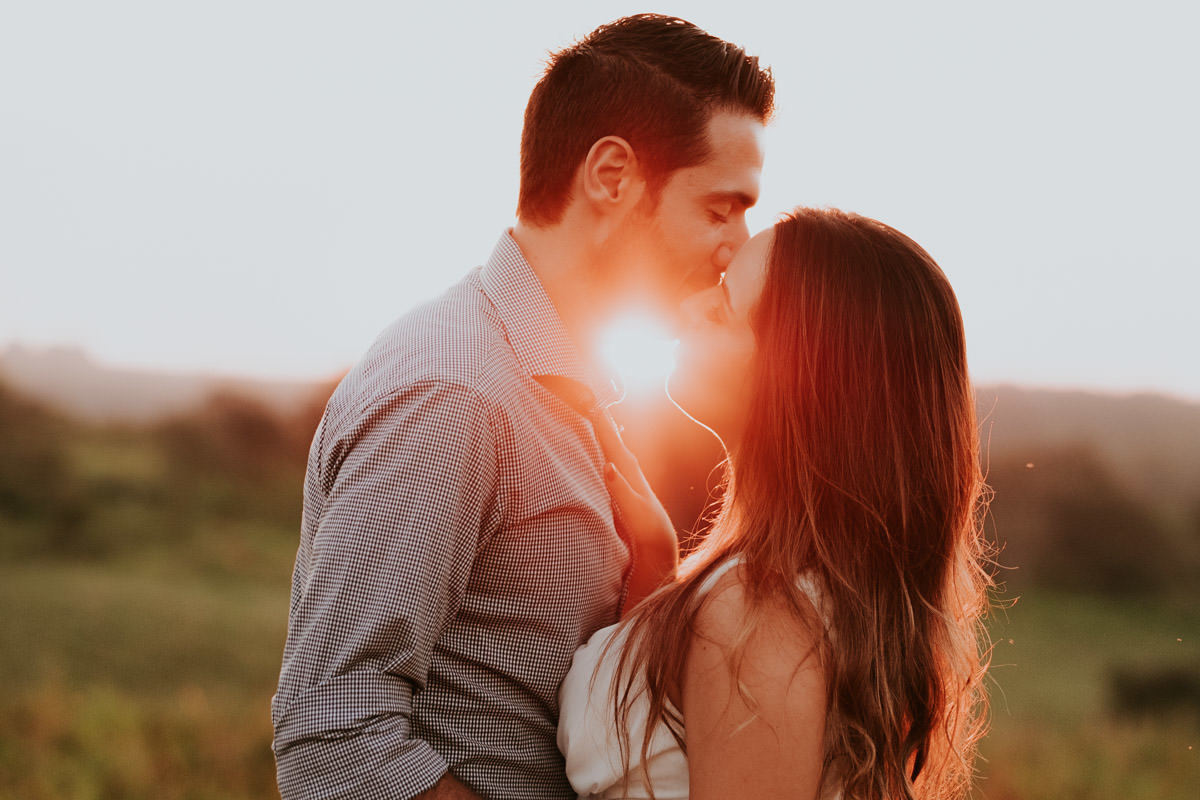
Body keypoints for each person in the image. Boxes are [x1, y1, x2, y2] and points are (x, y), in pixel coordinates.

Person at [269, 14, 774, 800]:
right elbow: (335, 736)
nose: (738, 245)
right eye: (720, 208)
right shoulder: (456, 393)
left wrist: (648, 597)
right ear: (611, 176)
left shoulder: (557, 383)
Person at [558, 208, 994, 800]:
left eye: (719, 309)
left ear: (793, 375)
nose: (687, 310)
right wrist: (656, 581)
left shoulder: (760, 611)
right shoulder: (772, 598)